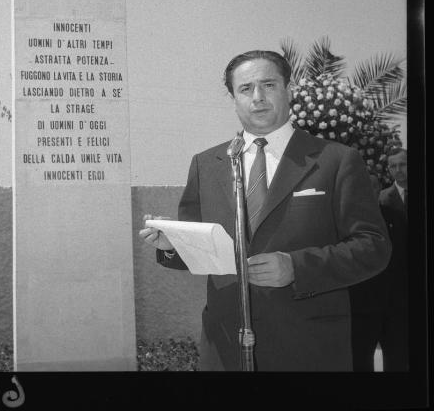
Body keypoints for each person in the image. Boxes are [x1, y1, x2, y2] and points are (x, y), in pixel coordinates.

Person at [139, 50, 391, 371]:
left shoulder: (336, 160)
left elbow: (373, 247)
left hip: (308, 346)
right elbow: (199, 243)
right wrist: (173, 246)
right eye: (245, 89)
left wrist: (297, 268)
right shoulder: (206, 164)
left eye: (268, 85)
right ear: (234, 99)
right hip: (224, 346)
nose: (257, 97)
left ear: (289, 90)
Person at [350, 148, 409, 371]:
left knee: (398, 362)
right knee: (360, 363)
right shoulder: (346, 222)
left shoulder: (395, 218)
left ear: (378, 190)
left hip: (395, 306)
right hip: (362, 308)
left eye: (374, 187)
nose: (370, 192)